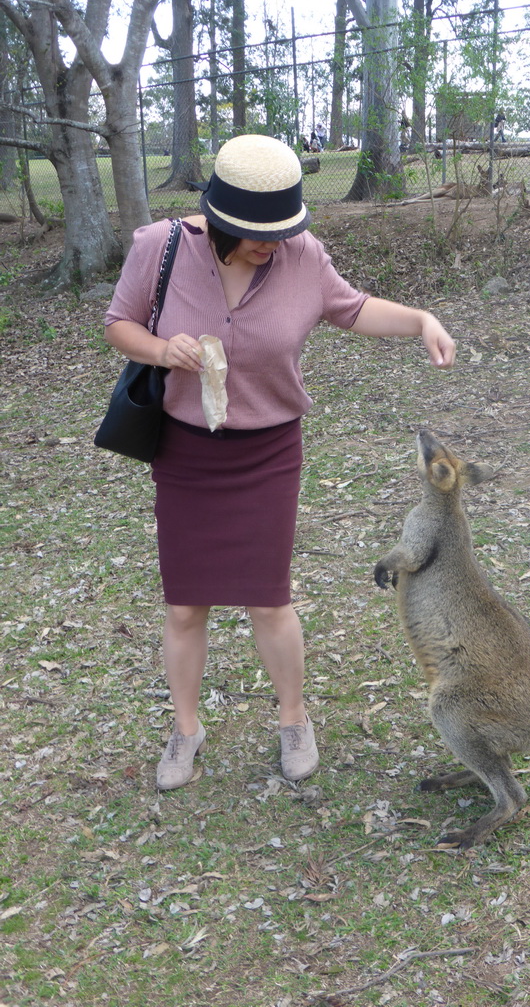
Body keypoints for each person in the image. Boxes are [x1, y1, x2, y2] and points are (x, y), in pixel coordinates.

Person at [103, 134, 456, 791]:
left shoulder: (302, 257)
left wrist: (420, 321)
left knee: (269, 602)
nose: (274, 241)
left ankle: (294, 719)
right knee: (185, 607)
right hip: (185, 451)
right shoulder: (162, 247)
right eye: (257, 232)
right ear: (221, 222)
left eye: (283, 228)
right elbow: (119, 323)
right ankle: (186, 729)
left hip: (267, 453)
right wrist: (160, 349)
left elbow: (351, 308)